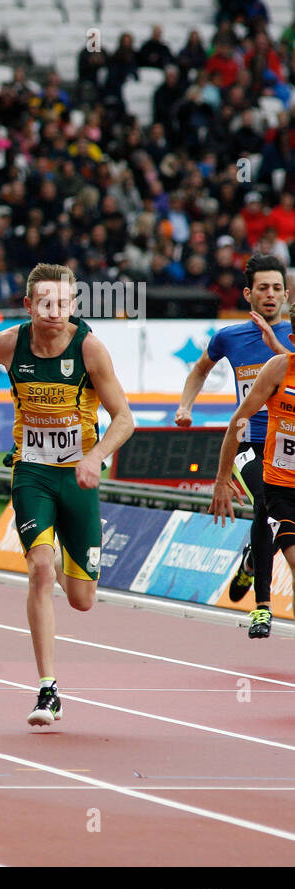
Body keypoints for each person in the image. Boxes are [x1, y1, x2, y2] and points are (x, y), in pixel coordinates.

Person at [0, 263, 134, 727]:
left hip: (79, 479)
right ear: (29, 305)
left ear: (74, 306)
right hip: (31, 473)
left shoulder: (89, 349)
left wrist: (95, 458)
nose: (54, 311)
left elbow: (125, 418)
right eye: (44, 303)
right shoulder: (7, 345)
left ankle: (81, 547)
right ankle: (48, 688)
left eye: (63, 303)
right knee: (39, 568)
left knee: (82, 599)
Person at [176, 254, 290, 638]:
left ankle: (250, 564)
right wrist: (185, 405)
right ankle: (262, 608)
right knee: (266, 502)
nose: (270, 295)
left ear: (287, 294)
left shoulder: (293, 337)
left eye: (277, 288)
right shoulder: (230, 337)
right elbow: (199, 371)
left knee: (273, 514)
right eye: (263, 288)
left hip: (285, 446)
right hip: (249, 445)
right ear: (248, 293)